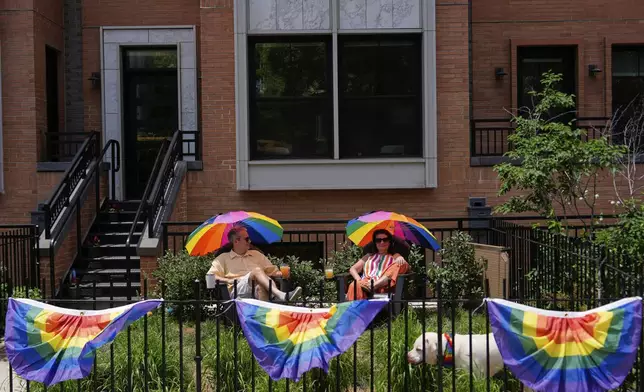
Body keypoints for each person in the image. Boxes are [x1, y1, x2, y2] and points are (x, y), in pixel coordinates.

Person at [206, 226, 302, 301]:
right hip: (238, 288)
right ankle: (281, 295)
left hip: (256, 286)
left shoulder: (256, 254)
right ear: (236, 241)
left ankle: (263, 321)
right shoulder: (223, 258)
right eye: (247, 239)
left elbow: (273, 272)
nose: (250, 241)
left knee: (261, 286)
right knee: (257, 270)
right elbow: (210, 276)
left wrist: (283, 274)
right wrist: (228, 281)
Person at [346, 229, 410, 300]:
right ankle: (358, 309)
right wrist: (359, 280)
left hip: (384, 286)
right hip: (365, 284)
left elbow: (403, 266)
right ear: (375, 243)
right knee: (354, 285)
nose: (382, 242)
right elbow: (353, 269)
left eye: (385, 240)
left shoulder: (394, 256)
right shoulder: (368, 256)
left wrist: (399, 257)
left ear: (389, 242)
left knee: (401, 264)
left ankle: (374, 286)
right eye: (378, 240)